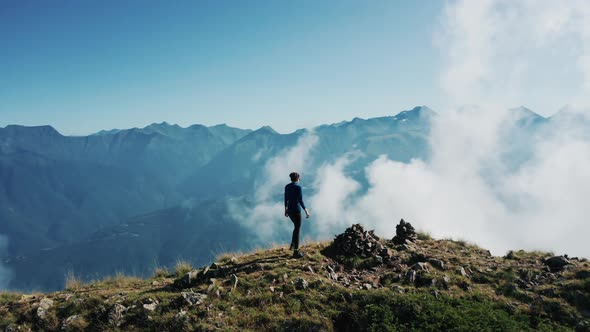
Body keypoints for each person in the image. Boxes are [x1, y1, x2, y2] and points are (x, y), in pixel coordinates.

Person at [284, 172, 310, 258]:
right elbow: (300, 200)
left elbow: (285, 199)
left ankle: (292, 245)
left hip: (290, 211)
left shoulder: (287, 186)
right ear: (297, 178)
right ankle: (296, 251)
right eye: (299, 178)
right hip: (296, 210)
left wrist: (286, 210)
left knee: (295, 227)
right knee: (297, 229)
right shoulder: (298, 187)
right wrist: (306, 210)